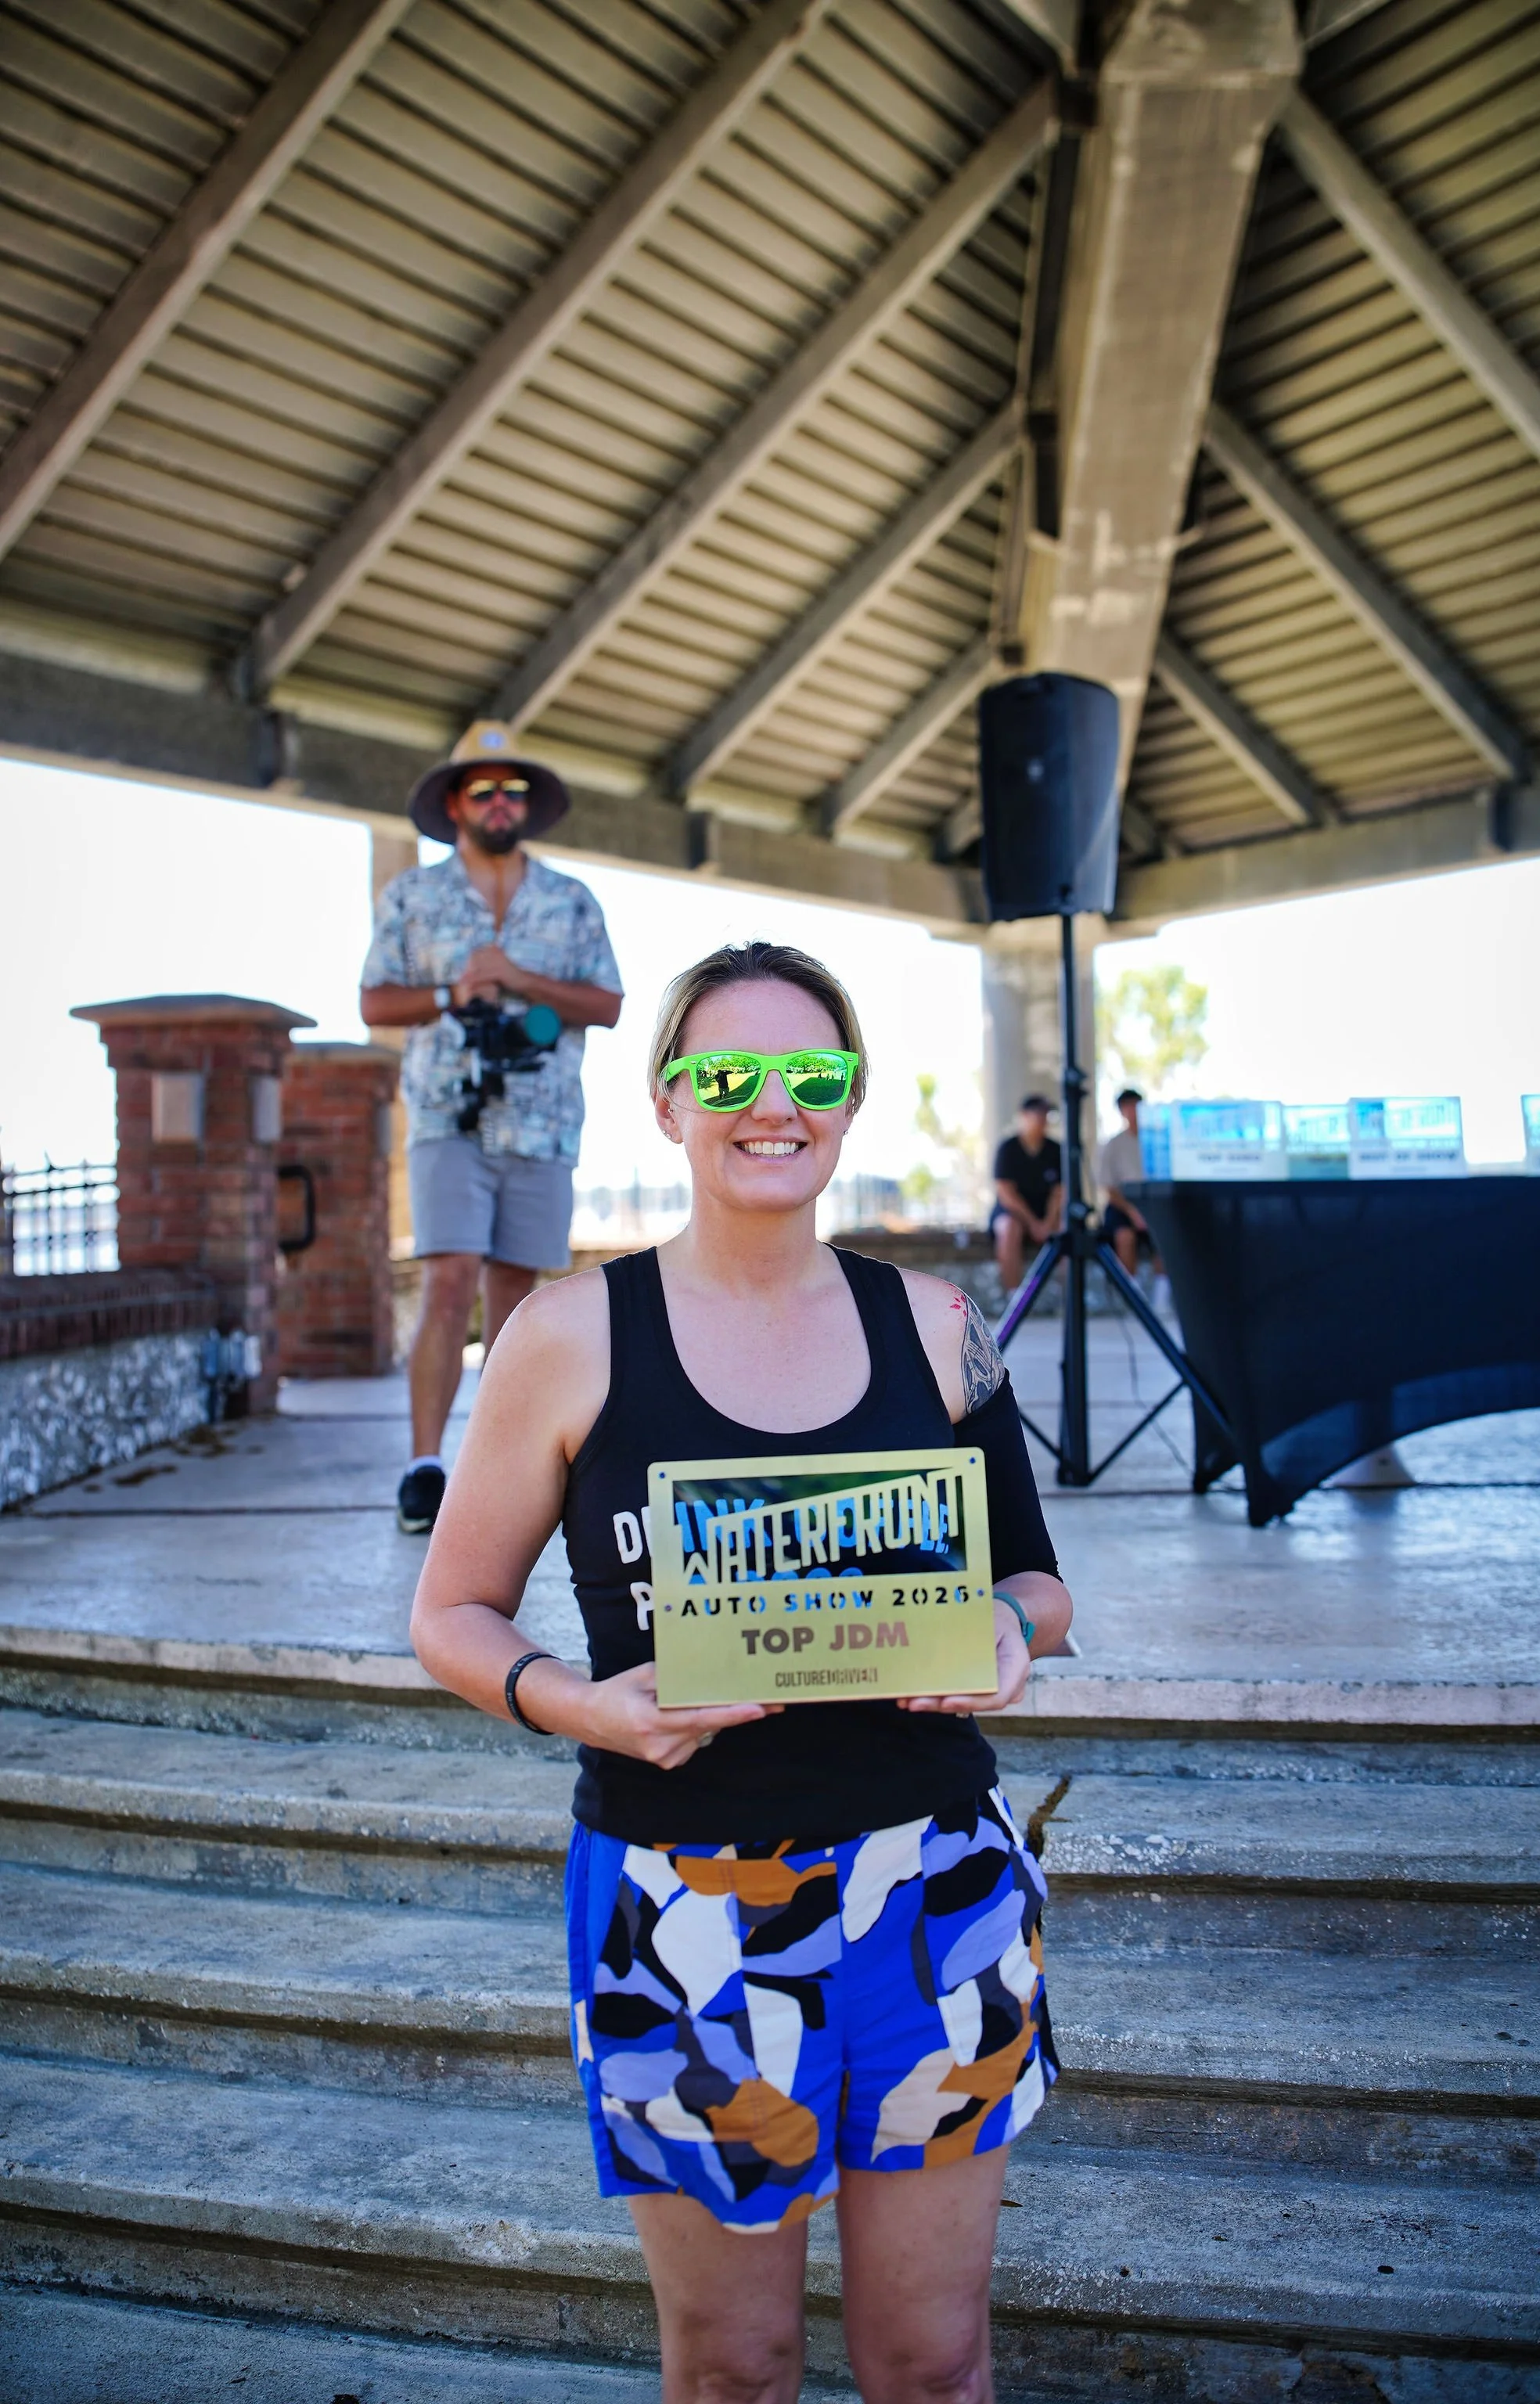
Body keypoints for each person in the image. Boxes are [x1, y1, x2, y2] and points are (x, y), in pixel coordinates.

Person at [412, 940, 1073, 2404]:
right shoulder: (565, 1335)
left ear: (849, 1103)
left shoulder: (939, 1323)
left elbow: (1036, 1575)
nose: (770, 1103)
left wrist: (1011, 1634)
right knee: (732, 2365)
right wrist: (578, 1704)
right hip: (682, 1907)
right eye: (726, 1074)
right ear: (665, 1102)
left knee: (934, 2359)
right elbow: (451, 1609)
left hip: (935, 1888)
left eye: (811, 1074)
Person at [360, 720, 622, 1535]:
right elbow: (374, 1002)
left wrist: (518, 979)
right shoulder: (411, 896)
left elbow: (607, 1004)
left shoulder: (571, 900)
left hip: (542, 1127)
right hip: (448, 1116)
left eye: (513, 790)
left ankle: (497, 1464)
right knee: (446, 1279)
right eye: (484, 790)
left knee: (516, 1299)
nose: (501, 802)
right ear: (454, 802)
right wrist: (451, 997)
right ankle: (424, 1466)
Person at [991, 1094, 1063, 1294]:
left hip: (1047, 1214)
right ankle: (1014, 1296)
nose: (1042, 1119)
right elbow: (1006, 1193)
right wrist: (1033, 1223)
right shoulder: (1008, 1148)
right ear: (1023, 1115)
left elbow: (1060, 1192)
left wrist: (1048, 1222)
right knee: (1009, 1229)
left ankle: (1069, 1295)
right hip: (1013, 1213)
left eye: (1046, 1114)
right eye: (1038, 1113)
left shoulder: (1056, 1149)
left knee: (1067, 1230)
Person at [1098, 1087, 1162, 1280]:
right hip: (1123, 1205)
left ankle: (1164, 1295)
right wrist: (1133, 1212)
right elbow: (1109, 1188)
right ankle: (1128, 1292)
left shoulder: (1157, 1141)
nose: (1133, 1111)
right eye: (1128, 1107)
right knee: (1124, 1236)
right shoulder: (1113, 1145)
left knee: (1165, 1235)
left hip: (1154, 1201)